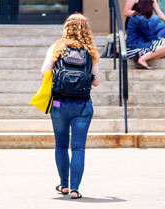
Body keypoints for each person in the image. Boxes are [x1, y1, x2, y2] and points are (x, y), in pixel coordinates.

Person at [41, 13, 100, 200]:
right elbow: (96, 81)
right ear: (86, 29)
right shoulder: (90, 51)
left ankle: (64, 185)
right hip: (82, 105)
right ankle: (75, 189)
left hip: (59, 103)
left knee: (60, 145)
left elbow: (44, 71)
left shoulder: (57, 47)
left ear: (67, 27)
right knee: (78, 148)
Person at [126, 0, 165, 69]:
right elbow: (149, 36)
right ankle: (141, 59)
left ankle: (142, 57)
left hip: (138, 45)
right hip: (135, 47)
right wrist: (162, 39)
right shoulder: (141, 19)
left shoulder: (136, 16)